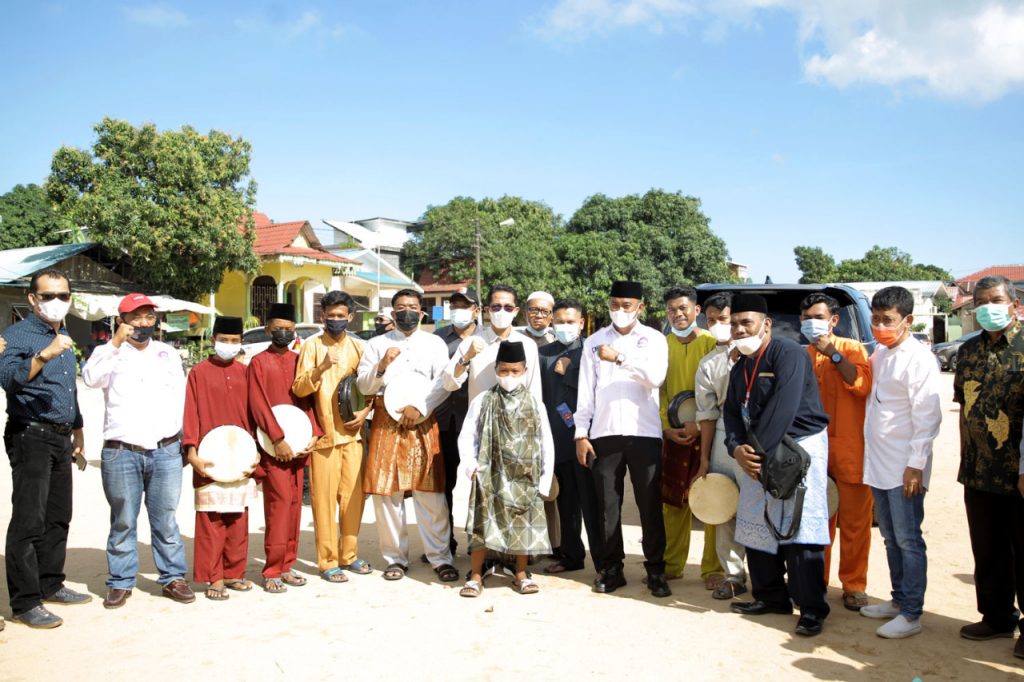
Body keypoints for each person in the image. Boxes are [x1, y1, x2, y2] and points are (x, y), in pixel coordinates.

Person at [724, 294, 832, 638]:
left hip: (797, 449)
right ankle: (771, 597)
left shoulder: (790, 354)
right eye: (735, 324)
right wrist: (736, 449)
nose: (740, 330)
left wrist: (753, 452)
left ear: (766, 324)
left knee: (798, 526)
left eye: (747, 323)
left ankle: (811, 608)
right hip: (757, 453)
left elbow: (783, 408)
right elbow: (731, 412)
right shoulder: (740, 364)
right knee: (756, 518)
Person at [81, 293, 194, 609]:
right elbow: (90, 379)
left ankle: (173, 577)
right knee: (123, 520)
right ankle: (120, 582)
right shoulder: (108, 353)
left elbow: (180, 398)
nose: (143, 324)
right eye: (136, 317)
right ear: (122, 321)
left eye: (148, 317)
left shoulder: (167, 354)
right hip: (122, 451)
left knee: (166, 519)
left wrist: (184, 441)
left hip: (165, 449)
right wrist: (115, 343)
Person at [0, 269, 89, 629]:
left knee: (57, 515)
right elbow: (8, 379)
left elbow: (68, 389)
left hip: (60, 435)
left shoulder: (63, 333)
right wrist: (44, 356)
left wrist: (78, 427)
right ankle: (25, 602)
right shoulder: (18, 335)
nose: (57, 302)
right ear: (33, 299)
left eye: (64, 295)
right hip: (30, 434)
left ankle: (51, 583)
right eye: (49, 295)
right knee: (29, 519)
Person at [575, 280, 671, 598]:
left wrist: (619, 359)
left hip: (644, 432)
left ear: (640, 307)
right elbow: (585, 393)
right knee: (607, 505)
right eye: (615, 304)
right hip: (604, 433)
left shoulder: (654, 339)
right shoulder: (594, 341)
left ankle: (656, 570)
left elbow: (655, 377)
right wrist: (581, 433)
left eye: (626, 305)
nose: (620, 310)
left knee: (649, 504)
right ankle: (611, 568)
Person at [356, 288, 457, 582]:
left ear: (422, 311)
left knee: (431, 492)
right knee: (388, 494)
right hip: (387, 422)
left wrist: (421, 407)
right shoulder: (376, 344)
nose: (407, 312)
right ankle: (395, 559)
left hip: (423, 421)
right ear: (392, 312)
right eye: (400, 307)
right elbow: (364, 387)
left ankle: (440, 558)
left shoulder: (435, 343)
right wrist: (382, 365)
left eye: (412, 306)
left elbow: (443, 382)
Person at [860, 286, 942, 639]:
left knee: (909, 539)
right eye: (875, 319)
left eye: (887, 320)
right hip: (878, 463)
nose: (880, 326)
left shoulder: (919, 358)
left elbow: (928, 415)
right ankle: (897, 600)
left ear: (907, 320)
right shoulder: (879, 354)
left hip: (905, 465)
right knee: (891, 538)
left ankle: (911, 613)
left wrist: (916, 463)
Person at [953, 275, 1024, 657]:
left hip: (1019, 472)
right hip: (980, 469)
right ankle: (997, 616)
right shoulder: (968, 352)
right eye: (980, 302)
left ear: (1014, 304)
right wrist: (965, 454)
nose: (987, 308)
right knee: (988, 547)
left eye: (995, 300)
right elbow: (965, 407)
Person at [458, 341, 555, 597]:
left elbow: (547, 442)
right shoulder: (483, 400)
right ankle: (476, 576)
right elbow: (467, 436)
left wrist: (544, 479)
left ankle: (521, 574)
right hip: (490, 474)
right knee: (482, 525)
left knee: (522, 526)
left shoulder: (535, 403)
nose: (509, 376)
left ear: (524, 370)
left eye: (514, 371)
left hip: (525, 476)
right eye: (503, 371)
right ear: (496, 369)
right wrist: (471, 466)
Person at [799, 293, 874, 612]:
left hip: (851, 450)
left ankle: (854, 585)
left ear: (833, 320)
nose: (810, 323)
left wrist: (834, 355)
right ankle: (818, 580)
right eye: (805, 318)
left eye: (817, 316)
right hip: (814, 451)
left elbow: (861, 385)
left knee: (856, 522)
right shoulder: (801, 354)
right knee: (817, 520)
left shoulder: (852, 348)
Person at [293, 290, 372, 582]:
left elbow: (371, 388)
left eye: (342, 316)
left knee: (353, 500)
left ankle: (349, 554)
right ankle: (327, 561)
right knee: (323, 501)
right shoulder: (311, 347)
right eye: (331, 316)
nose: (336, 320)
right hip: (324, 438)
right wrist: (323, 366)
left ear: (351, 317)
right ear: (322, 316)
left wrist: (366, 413)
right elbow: (300, 388)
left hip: (353, 436)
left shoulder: (360, 347)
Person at [183, 316, 260, 601]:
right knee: (211, 520)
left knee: (238, 518)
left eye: (234, 341)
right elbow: (190, 412)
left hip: (241, 455)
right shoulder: (198, 373)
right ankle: (213, 577)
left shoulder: (246, 373)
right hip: (209, 455)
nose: (229, 345)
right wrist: (192, 452)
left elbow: (255, 414)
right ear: (214, 339)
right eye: (224, 340)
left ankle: (234, 573)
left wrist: (256, 454)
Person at [248, 302, 320, 593]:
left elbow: (307, 401)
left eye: (289, 329)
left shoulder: (298, 360)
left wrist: (313, 434)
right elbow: (257, 403)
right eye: (278, 329)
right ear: (268, 330)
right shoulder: (258, 362)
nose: (283, 333)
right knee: (278, 507)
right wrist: (278, 439)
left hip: (299, 445)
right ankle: (272, 569)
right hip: (274, 446)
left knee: (294, 507)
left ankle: (288, 564)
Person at [659, 286, 724, 590]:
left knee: (711, 500)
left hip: (709, 433)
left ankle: (713, 568)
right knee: (673, 502)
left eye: (683, 308)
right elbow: (656, 391)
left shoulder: (714, 343)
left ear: (696, 311)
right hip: (672, 435)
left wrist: (701, 425)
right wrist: (665, 425)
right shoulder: (660, 345)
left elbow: (722, 392)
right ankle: (672, 565)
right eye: (672, 309)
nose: (678, 314)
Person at [539, 299, 604, 575]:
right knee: (566, 503)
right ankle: (571, 555)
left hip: (588, 438)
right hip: (557, 437)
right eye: (560, 321)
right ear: (552, 323)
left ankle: (604, 561)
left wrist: (573, 368)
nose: (565, 326)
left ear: (581, 323)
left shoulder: (592, 351)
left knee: (593, 503)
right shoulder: (543, 355)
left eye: (570, 321)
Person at [693, 292, 749, 599]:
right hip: (723, 438)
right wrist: (704, 457)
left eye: (723, 319)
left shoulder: (760, 354)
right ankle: (733, 574)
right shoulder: (708, 363)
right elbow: (707, 413)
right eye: (711, 320)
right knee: (725, 505)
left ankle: (770, 573)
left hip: (757, 434)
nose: (717, 325)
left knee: (762, 506)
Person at [434, 287, 481, 555]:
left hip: (476, 422)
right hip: (445, 421)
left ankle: (482, 545)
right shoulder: (439, 339)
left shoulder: (486, 338)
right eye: (455, 305)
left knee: (482, 484)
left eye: (465, 305)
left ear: (476, 310)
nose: (459, 310)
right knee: (444, 485)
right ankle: (445, 542)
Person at [443, 284, 542, 405]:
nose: (502, 311)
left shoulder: (528, 345)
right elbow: (449, 384)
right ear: (487, 310)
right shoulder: (471, 343)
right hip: (481, 418)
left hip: (517, 419)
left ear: (515, 311)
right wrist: (466, 358)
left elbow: (534, 390)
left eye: (508, 308)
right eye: (496, 307)